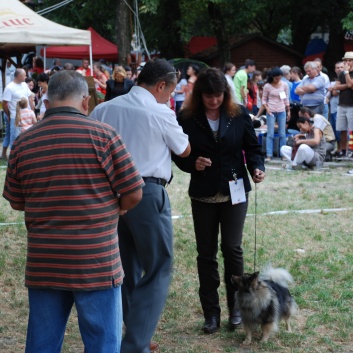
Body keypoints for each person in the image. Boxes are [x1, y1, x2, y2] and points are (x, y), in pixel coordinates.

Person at [3, 70, 144, 353]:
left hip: (45, 262)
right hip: (97, 262)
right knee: (103, 344)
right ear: (85, 101)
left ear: (47, 99)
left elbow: (17, 202)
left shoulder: (23, 143)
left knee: (42, 344)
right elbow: (134, 192)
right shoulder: (104, 136)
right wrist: (116, 208)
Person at [90, 58, 191, 353]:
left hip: (110, 195)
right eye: (169, 91)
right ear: (161, 85)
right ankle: (135, 344)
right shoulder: (159, 111)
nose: (169, 97)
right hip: (146, 192)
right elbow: (183, 149)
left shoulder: (103, 109)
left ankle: (137, 335)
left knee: (127, 267)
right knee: (159, 266)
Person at [172, 68, 265, 334]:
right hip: (203, 192)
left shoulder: (238, 114)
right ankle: (210, 313)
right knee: (206, 254)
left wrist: (256, 168)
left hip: (235, 189)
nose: (214, 101)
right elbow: (178, 152)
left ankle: (236, 310)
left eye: (218, 95)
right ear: (199, 95)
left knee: (233, 249)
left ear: (226, 94)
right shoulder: (187, 118)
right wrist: (193, 163)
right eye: (208, 96)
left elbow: (253, 147)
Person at [2, 68, 34, 158]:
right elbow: (4, 103)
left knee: (23, 137)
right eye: (24, 75)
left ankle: (20, 156)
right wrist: (8, 115)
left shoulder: (24, 84)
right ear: (19, 76)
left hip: (25, 115)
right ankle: (13, 158)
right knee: (14, 138)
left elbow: (29, 96)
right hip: (15, 116)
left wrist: (32, 109)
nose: (26, 77)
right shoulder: (10, 87)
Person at [261, 67, 290, 161]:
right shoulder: (267, 86)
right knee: (270, 133)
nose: (278, 79)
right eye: (276, 78)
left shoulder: (284, 85)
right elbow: (264, 99)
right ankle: (269, 154)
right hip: (271, 110)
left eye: (280, 77)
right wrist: (267, 109)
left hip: (282, 110)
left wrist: (288, 110)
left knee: (282, 133)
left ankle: (283, 154)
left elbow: (286, 98)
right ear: (272, 77)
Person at [334, 52, 353, 159]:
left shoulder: (344, 73)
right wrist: (347, 85)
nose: (347, 62)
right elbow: (336, 87)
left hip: (351, 105)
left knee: (352, 130)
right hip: (342, 104)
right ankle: (344, 150)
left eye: (349, 60)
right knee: (342, 129)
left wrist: (346, 73)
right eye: (345, 60)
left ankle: (352, 150)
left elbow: (351, 85)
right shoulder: (341, 74)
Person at [327, 61, 344, 157]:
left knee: (340, 131)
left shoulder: (345, 79)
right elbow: (329, 94)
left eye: (341, 67)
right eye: (337, 67)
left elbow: (334, 93)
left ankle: (342, 149)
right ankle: (338, 149)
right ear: (335, 69)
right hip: (332, 109)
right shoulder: (333, 82)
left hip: (340, 108)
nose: (339, 69)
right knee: (334, 131)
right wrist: (334, 87)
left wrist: (332, 88)